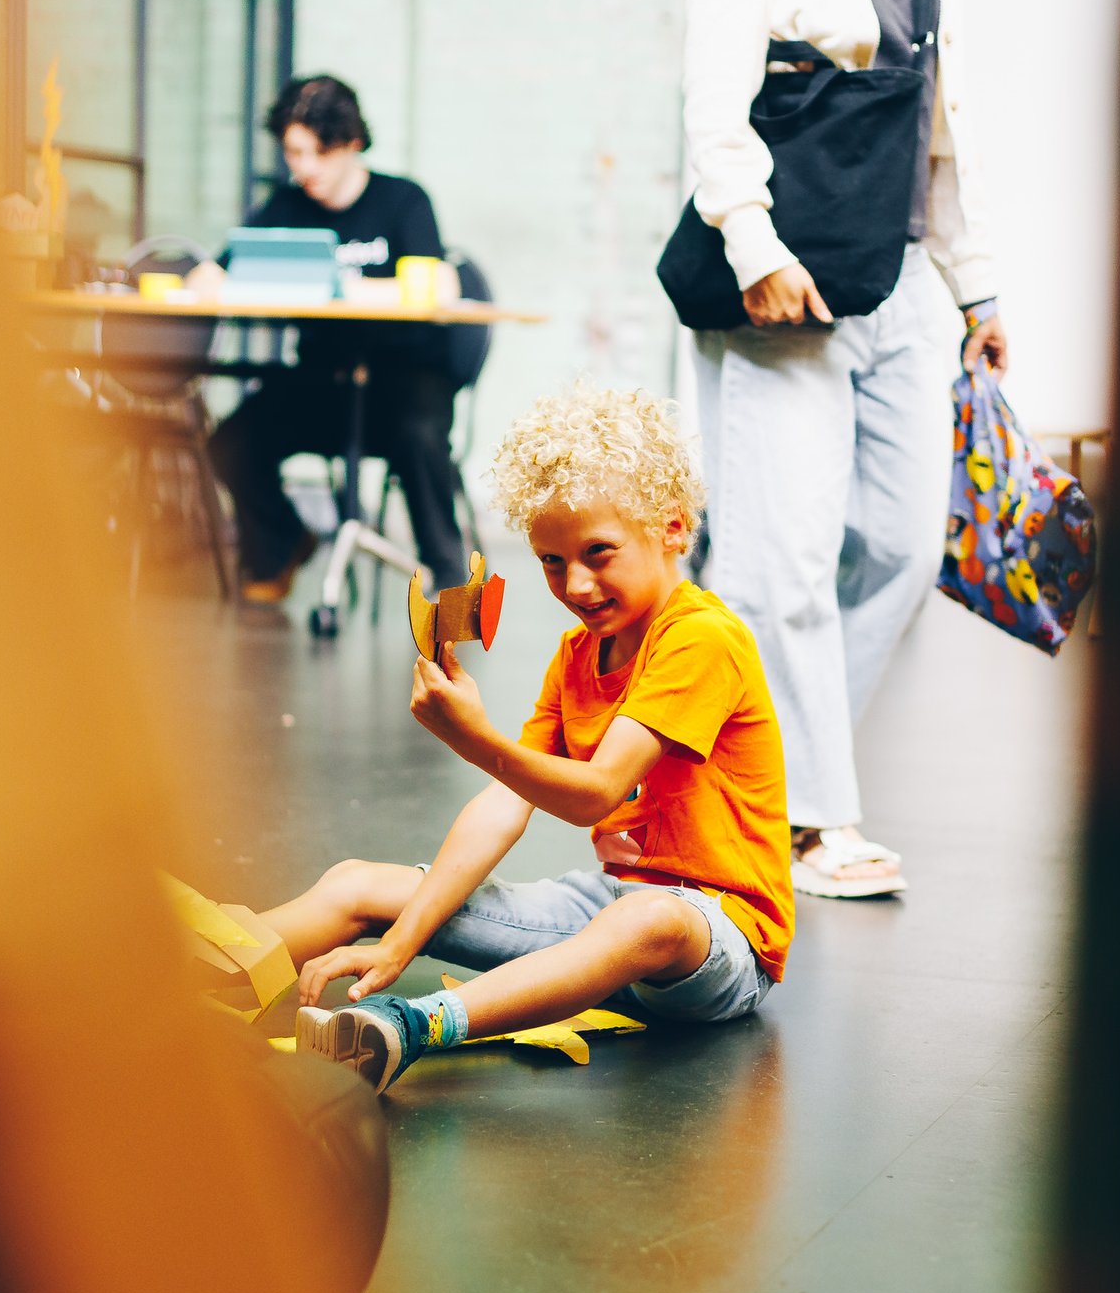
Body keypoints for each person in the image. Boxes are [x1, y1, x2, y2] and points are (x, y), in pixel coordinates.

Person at [261, 384, 791, 1094]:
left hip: (719, 943)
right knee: (358, 882)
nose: (575, 582)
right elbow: (503, 806)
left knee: (649, 917)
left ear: (671, 529)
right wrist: (398, 940)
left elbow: (597, 790)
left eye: (599, 553)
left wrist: (476, 738)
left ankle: (410, 1026)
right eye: (550, 560)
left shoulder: (701, 637)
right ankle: (203, 964)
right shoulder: (579, 653)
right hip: (607, 906)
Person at [683, 0, 1010, 899]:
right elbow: (714, 105)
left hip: (905, 274)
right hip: (793, 268)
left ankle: (761, 770)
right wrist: (753, 247)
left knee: (907, 546)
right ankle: (811, 814)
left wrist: (975, 286)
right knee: (782, 562)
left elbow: (939, 122)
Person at [202, 75, 471, 597]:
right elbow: (214, 273)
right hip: (321, 381)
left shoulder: (403, 201)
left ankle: (451, 580)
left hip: (406, 379)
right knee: (232, 443)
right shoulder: (287, 206)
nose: (303, 168)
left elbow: (440, 285)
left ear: (350, 144)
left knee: (420, 434)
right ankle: (282, 545)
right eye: (292, 153)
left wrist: (342, 287)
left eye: (316, 153)